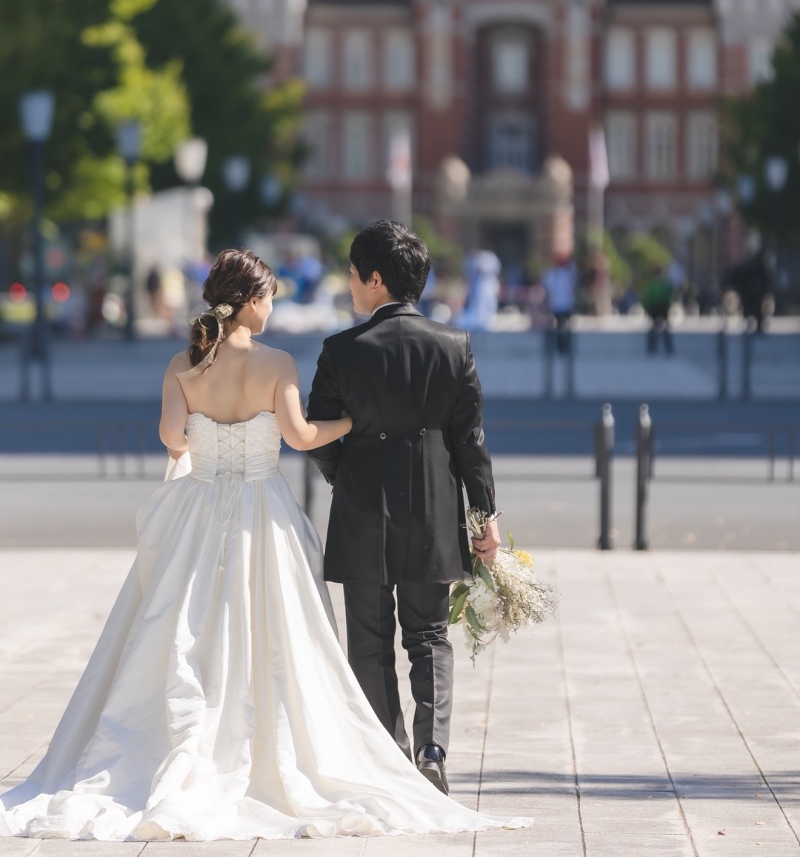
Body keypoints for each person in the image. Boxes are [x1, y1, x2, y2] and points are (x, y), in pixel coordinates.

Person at [0, 249, 526, 841]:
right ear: (251, 301)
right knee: (290, 630)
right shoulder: (277, 363)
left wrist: (208, 433)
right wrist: (350, 426)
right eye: (270, 298)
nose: (272, 308)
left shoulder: (184, 362)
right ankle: (407, 753)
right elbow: (301, 436)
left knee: (189, 627)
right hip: (263, 510)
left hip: (198, 510)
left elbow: (173, 438)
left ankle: (205, 740)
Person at [306, 221, 501, 798]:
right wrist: (484, 515)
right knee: (430, 635)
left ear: (375, 279)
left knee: (369, 640)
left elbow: (318, 434)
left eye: (352, 274)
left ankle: (390, 758)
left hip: (362, 508)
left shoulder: (341, 350)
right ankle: (432, 750)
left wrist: (345, 477)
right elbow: (470, 441)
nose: (348, 283)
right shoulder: (454, 345)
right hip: (434, 510)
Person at [541, 253, 578, 354]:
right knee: (558, 327)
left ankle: (564, 345)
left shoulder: (567, 274)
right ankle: (560, 345)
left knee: (563, 327)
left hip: (564, 305)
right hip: (558, 306)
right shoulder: (554, 274)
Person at [642, 266, 674, 355]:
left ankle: (653, 347)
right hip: (660, 308)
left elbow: (648, 298)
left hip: (657, 308)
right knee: (661, 329)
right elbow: (669, 296)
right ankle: (665, 348)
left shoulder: (654, 285)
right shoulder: (664, 284)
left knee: (657, 329)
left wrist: (647, 308)